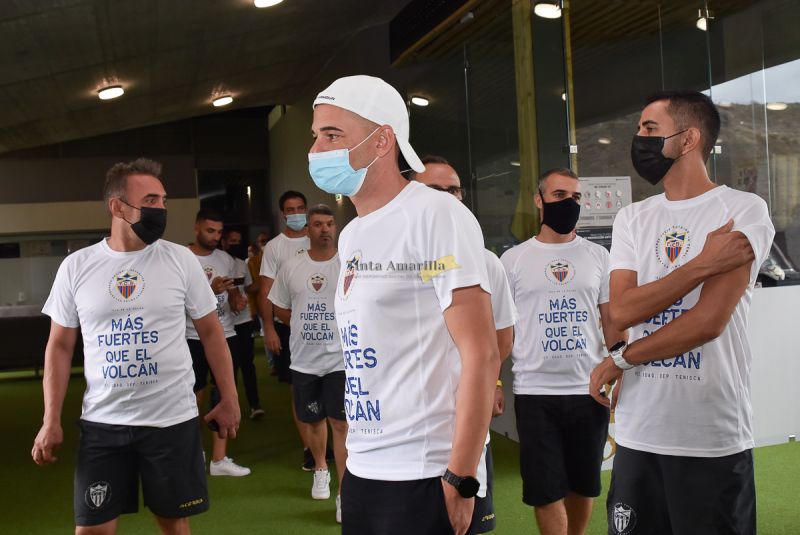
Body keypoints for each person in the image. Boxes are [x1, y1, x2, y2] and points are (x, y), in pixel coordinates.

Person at [309, 74, 500, 535]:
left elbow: (482, 352)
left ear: (382, 141)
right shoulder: (353, 233)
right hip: (364, 467)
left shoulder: (436, 215)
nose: (316, 149)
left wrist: (461, 475)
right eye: (315, 136)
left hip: (426, 472)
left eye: (332, 135)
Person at [588, 91, 774, 535]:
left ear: (689, 139)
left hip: (709, 436)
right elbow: (623, 310)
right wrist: (702, 265)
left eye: (649, 129)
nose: (639, 138)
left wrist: (621, 360)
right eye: (639, 129)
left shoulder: (743, 211)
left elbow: (707, 322)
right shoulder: (633, 217)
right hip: (638, 432)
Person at [31, 158, 241, 534]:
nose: (161, 209)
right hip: (103, 425)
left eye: (163, 200)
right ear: (118, 207)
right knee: (92, 530)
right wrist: (51, 420)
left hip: (171, 421)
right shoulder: (76, 267)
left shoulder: (180, 260)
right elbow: (59, 347)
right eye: (150, 200)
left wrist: (229, 397)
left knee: (174, 525)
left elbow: (211, 332)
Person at [498, 167, 626, 535]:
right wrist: (493, 381)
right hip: (535, 392)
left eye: (575, 197)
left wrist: (619, 367)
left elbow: (611, 320)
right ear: (538, 200)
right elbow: (500, 331)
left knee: (583, 484)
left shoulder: (598, 256)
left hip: (589, 390)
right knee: (544, 489)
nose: (569, 203)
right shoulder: (513, 260)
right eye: (559, 195)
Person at [411, 155, 518, 534]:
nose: (446, 198)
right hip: (405, 435)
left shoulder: (487, 263)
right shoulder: (392, 261)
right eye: (434, 190)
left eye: (453, 190)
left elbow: (501, 340)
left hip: (464, 430)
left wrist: (485, 381)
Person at [268, 204, 348, 523]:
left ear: (335, 228)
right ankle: (320, 469)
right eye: (318, 224)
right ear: (308, 229)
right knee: (313, 421)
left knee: (341, 424)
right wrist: (302, 323)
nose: (325, 229)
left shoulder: (347, 264)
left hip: (340, 359)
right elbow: (279, 307)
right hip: (304, 360)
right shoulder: (292, 266)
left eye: (329, 223)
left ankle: (344, 493)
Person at [256, 191, 318, 470]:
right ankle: (309, 448)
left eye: (300, 208)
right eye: (290, 210)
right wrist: (268, 327)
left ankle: (329, 442)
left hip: (323, 326)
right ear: (283, 214)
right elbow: (266, 291)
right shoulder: (274, 247)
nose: (296, 214)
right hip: (288, 328)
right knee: (299, 388)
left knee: (329, 385)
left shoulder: (318, 237)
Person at [187, 209, 251, 477]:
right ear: (196, 228)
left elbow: (234, 292)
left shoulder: (225, 259)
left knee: (224, 392)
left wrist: (237, 299)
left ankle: (219, 459)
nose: (215, 237)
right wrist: (209, 291)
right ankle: (192, 453)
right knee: (193, 395)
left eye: (218, 232)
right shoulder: (183, 259)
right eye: (209, 231)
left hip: (226, 333)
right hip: (191, 336)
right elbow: (174, 301)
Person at [221, 228, 264, 420]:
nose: (235, 244)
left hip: (244, 320)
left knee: (248, 364)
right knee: (229, 368)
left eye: (238, 241)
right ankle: (229, 406)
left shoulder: (241, 264)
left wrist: (264, 280)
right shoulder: (217, 262)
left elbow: (250, 287)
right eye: (232, 240)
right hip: (224, 323)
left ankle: (255, 404)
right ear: (223, 241)